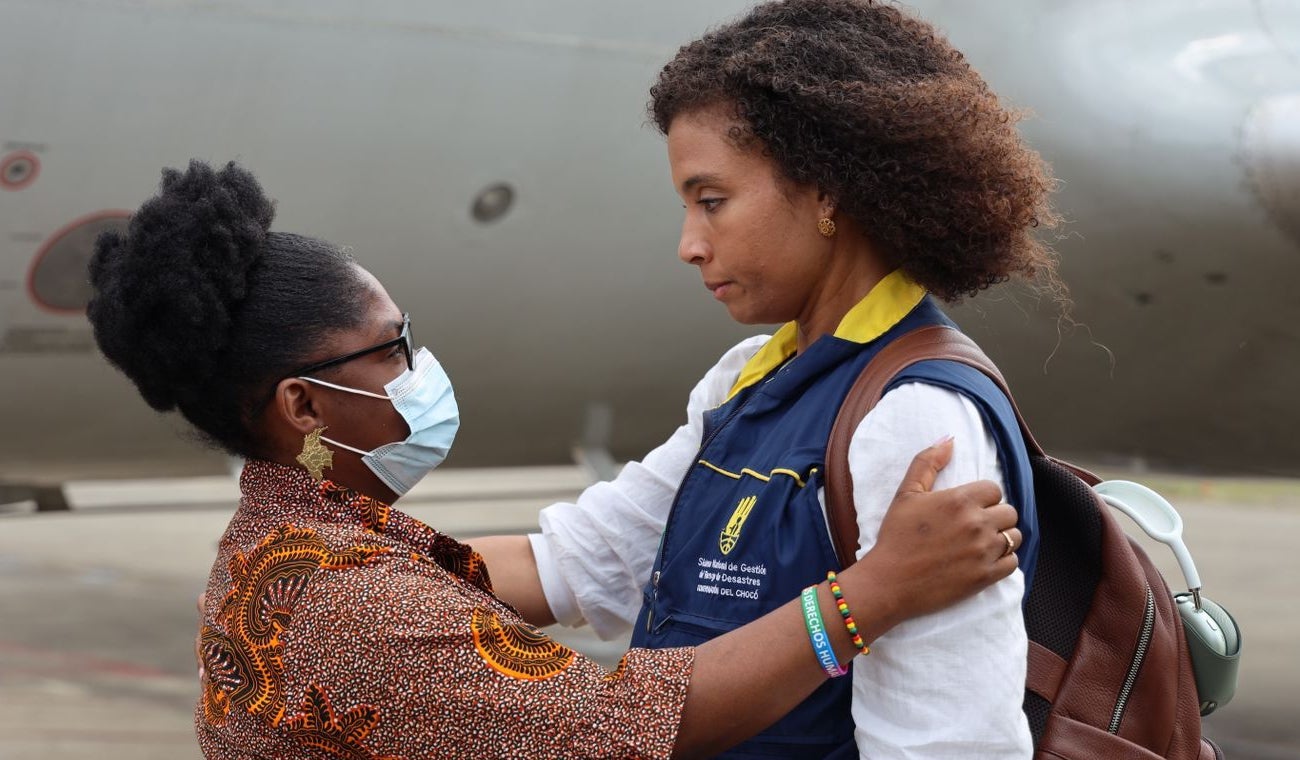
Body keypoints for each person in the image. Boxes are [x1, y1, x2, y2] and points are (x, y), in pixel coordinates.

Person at [87, 160, 1020, 759]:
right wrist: (871, 597)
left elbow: (566, 558)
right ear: (304, 405)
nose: (421, 369)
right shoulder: (354, 602)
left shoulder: (290, 545)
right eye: (391, 350)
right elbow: (629, 723)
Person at [474, 1, 1062, 757]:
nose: (689, 245)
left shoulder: (915, 418)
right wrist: (329, 570)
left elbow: (946, 740)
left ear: (826, 193)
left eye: (712, 202)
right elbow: (575, 563)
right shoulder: (744, 384)